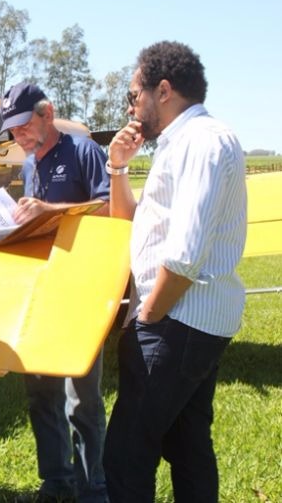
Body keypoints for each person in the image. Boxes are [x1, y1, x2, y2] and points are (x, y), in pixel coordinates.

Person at [103, 41, 246, 503]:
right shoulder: (183, 144)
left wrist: (146, 319)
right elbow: (129, 222)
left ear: (162, 90)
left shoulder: (200, 142)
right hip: (189, 320)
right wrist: (117, 168)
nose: (131, 106)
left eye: (133, 95)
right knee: (185, 445)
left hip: (176, 320)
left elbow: (184, 255)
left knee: (126, 455)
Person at [0, 82, 110, 503]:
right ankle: (56, 481)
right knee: (40, 392)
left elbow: (111, 209)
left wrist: (50, 212)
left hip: (81, 290)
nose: (18, 137)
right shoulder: (29, 165)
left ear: (48, 113)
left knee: (81, 397)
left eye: (23, 126)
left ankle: (92, 487)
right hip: (40, 290)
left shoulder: (84, 152)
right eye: (12, 131)